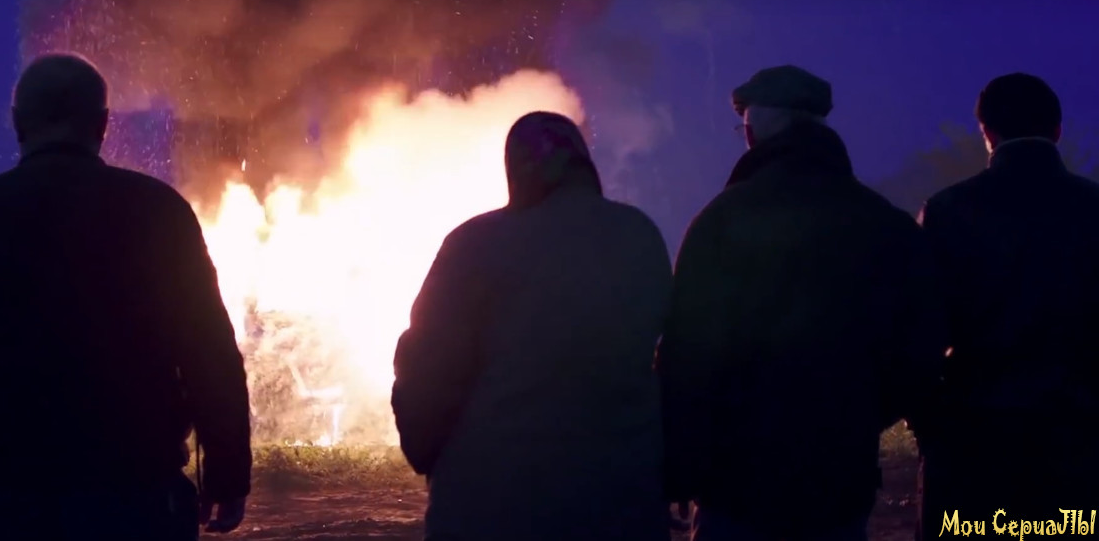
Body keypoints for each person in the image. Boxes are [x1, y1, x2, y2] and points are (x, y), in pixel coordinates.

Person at [0, 53, 251, 541]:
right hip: (140, 492)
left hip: (14, 497)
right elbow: (210, 353)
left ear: (17, 122)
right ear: (102, 124)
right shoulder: (159, 212)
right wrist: (227, 475)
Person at [658, 65, 948, 541]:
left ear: (754, 133)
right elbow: (919, 351)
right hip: (837, 482)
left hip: (736, 484)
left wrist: (679, 467)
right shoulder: (884, 225)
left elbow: (684, 357)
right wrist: (857, 414)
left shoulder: (721, 221)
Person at [391, 111, 674, 541]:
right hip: (619, 502)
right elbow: (674, 356)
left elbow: (427, 366)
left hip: (492, 505)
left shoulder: (474, 243)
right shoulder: (640, 235)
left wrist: (426, 451)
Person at [915, 73, 1099, 539]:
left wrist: (932, 423)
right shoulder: (1092, 208)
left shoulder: (947, 210)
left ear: (987, 133)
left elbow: (918, 332)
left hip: (973, 441)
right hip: (1078, 441)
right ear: (1057, 130)